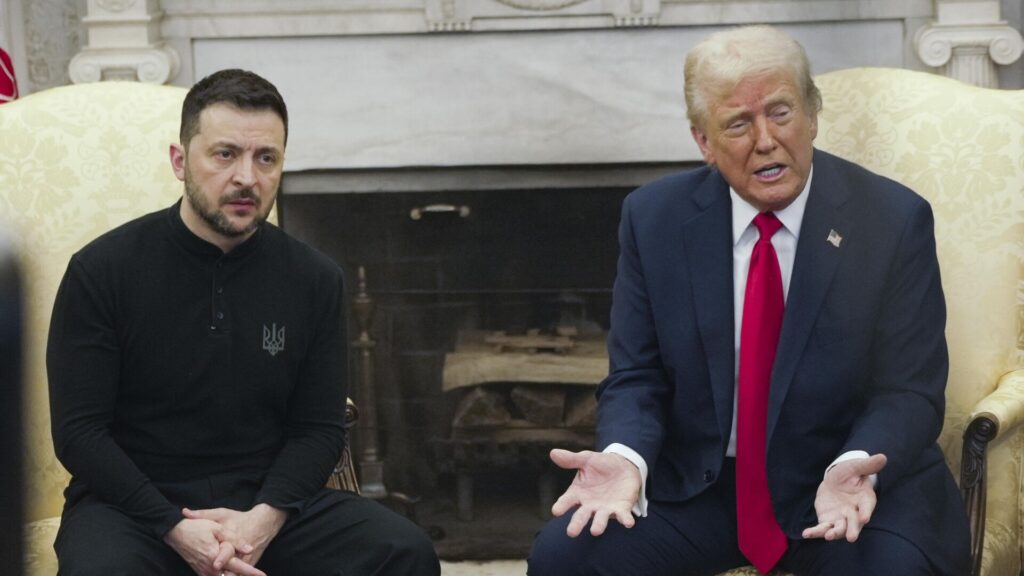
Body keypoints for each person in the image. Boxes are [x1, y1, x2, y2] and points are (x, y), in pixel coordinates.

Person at [528, 25, 970, 576]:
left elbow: (909, 390)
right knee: (566, 556)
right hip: (704, 485)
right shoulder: (654, 219)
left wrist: (859, 462)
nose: (765, 140)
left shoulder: (892, 220)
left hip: (843, 483)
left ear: (813, 114)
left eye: (781, 113)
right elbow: (637, 376)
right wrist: (626, 457)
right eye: (738, 123)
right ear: (703, 143)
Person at [47, 69, 440, 576]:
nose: (247, 178)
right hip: (133, 510)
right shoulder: (101, 271)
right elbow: (79, 432)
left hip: (266, 502)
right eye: (225, 154)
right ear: (179, 161)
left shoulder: (315, 279)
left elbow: (318, 429)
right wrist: (172, 526)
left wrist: (263, 520)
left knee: (404, 551)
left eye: (265, 158)